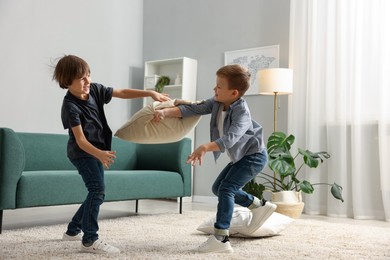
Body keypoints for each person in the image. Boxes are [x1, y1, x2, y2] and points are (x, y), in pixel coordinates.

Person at [53, 54, 170, 255]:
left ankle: (73, 231)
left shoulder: (96, 90)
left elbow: (122, 92)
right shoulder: (70, 106)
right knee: (97, 190)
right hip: (82, 153)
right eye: (82, 78)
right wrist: (99, 154)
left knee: (95, 191)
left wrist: (149, 93)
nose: (88, 80)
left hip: (98, 151)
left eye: (88, 74)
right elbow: (80, 140)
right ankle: (89, 240)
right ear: (67, 81)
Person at [153, 64, 277, 254]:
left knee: (227, 188)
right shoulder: (218, 103)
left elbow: (230, 139)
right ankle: (257, 205)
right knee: (218, 188)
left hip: (254, 157)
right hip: (242, 157)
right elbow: (193, 109)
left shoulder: (242, 113)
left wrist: (204, 147)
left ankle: (221, 238)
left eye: (219, 86)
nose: (214, 89)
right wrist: (165, 112)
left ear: (234, 92)